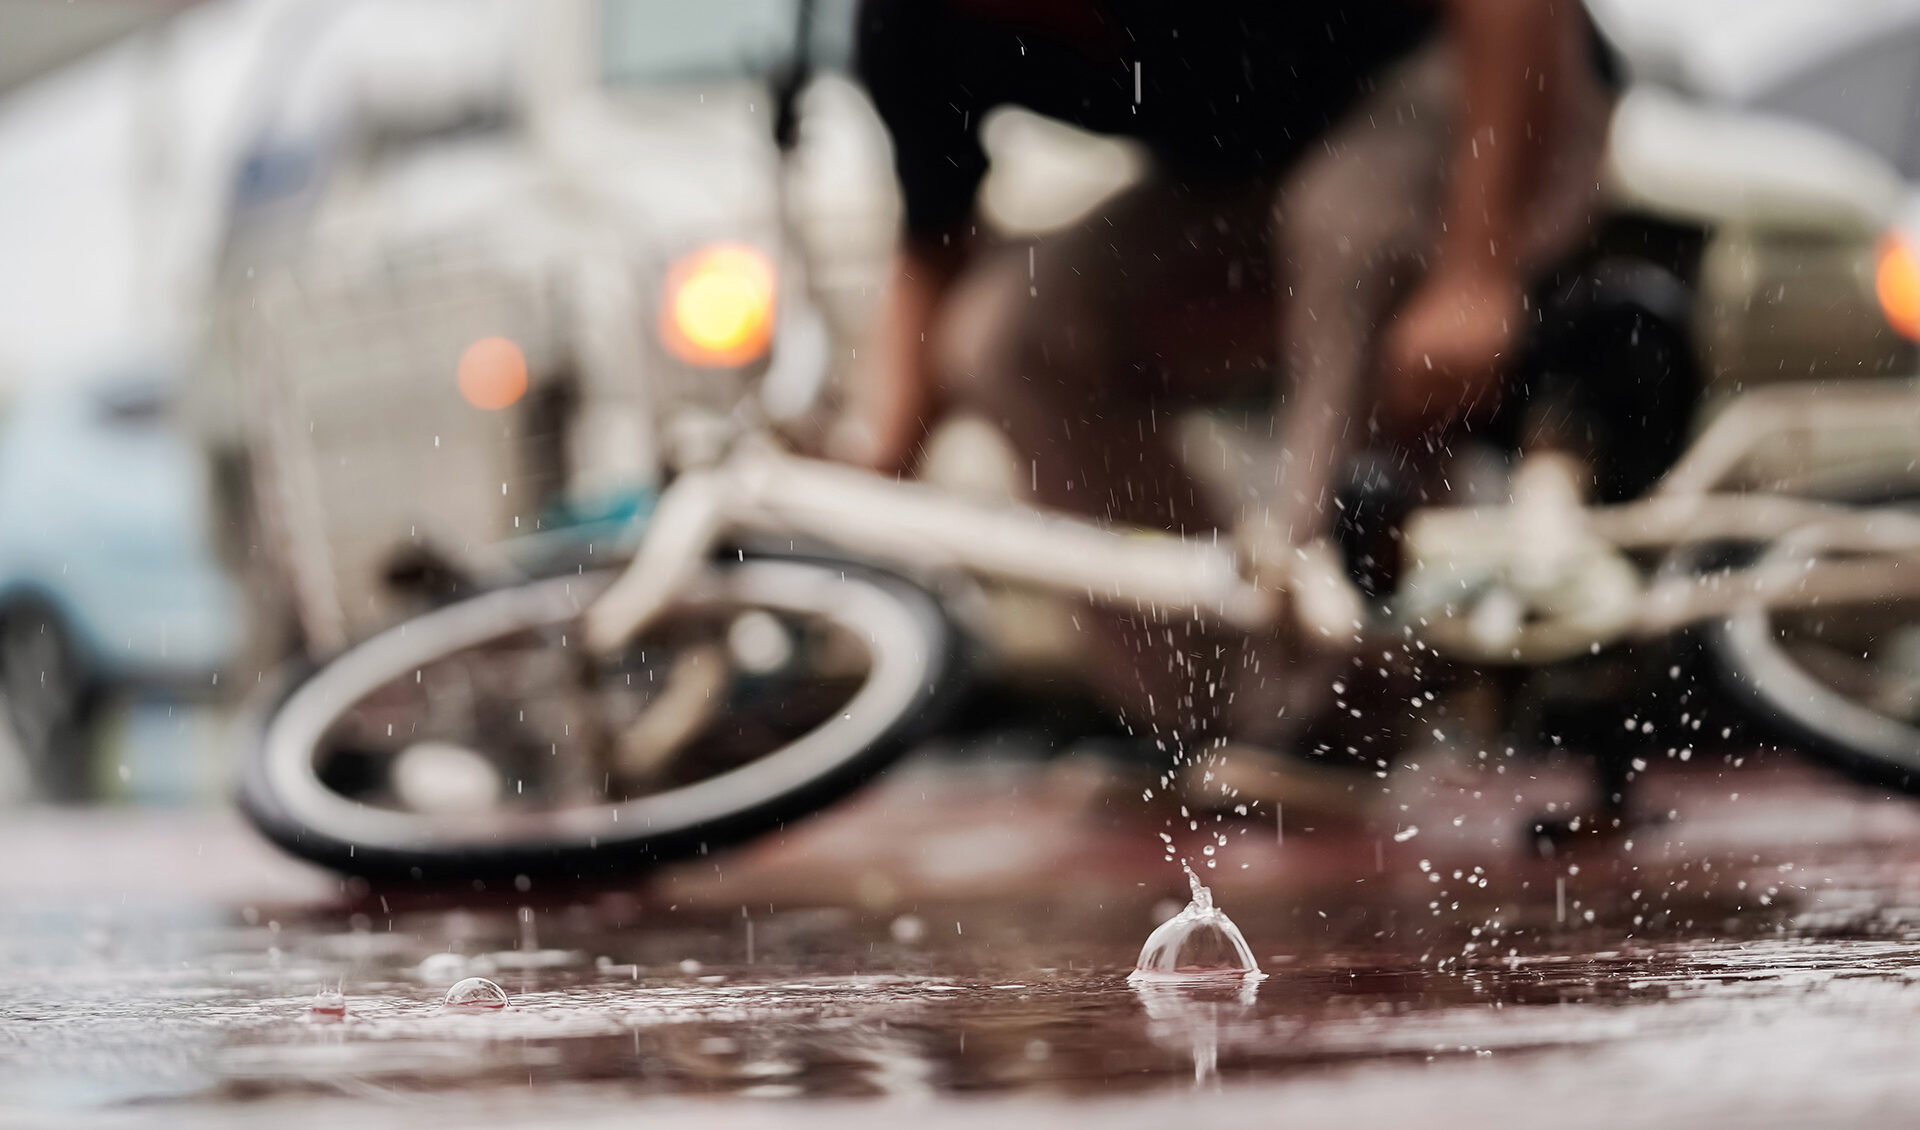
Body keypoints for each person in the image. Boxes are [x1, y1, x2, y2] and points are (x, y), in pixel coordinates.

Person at [840, 0, 1616, 806]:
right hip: (1271, 168)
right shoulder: (913, 23)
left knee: (1349, 221)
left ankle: (1346, 702)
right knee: (1004, 339)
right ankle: (1223, 715)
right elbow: (933, 245)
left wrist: (1475, 274)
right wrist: (872, 483)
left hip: (1506, 94)